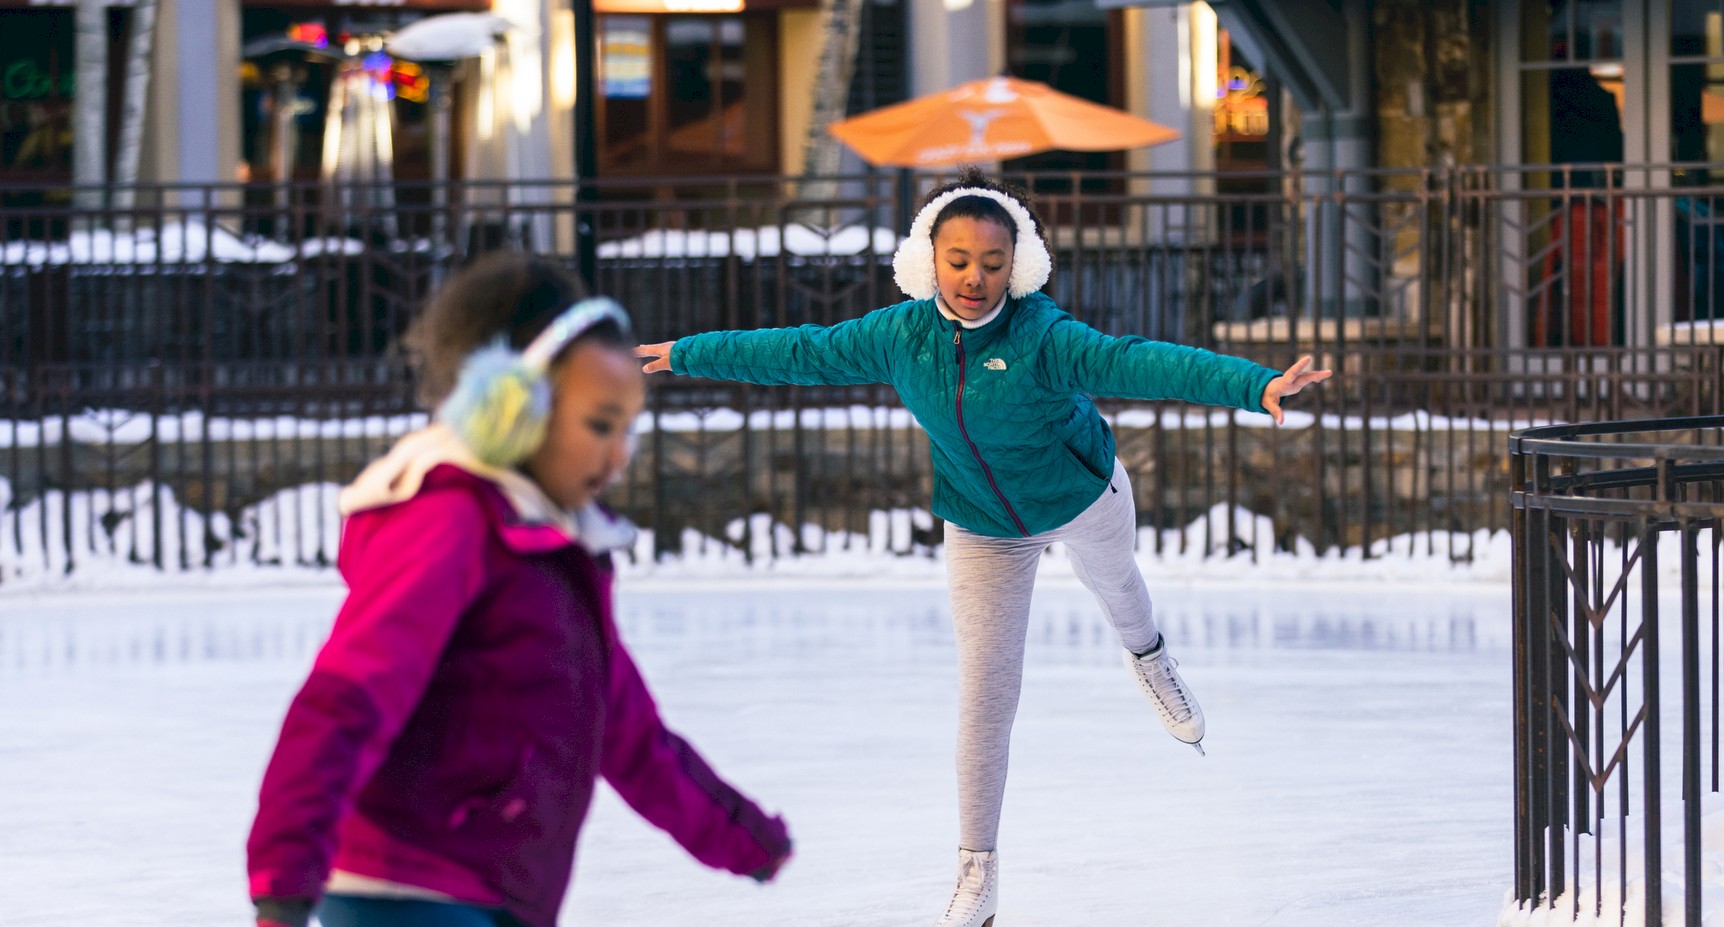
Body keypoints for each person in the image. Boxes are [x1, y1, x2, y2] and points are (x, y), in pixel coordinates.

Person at [634, 167, 1330, 927]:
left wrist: (1254, 385)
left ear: (1018, 266)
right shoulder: (900, 337)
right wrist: (690, 351)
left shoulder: (1045, 337)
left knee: (1119, 586)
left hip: (1081, 495)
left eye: (993, 263)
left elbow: (1142, 359)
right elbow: (800, 351)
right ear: (928, 258)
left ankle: (1150, 654)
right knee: (986, 697)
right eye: (958, 259)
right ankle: (977, 870)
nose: (974, 277)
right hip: (981, 524)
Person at [247, 252, 792, 927]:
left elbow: (629, 732)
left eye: (628, 428)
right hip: (411, 885)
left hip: (488, 889)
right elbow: (347, 694)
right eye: (598, 423)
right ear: (510, 405)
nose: (619, 453)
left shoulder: (548, 552)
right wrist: (282, 878)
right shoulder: (448, 520)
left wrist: (742, 836)